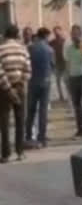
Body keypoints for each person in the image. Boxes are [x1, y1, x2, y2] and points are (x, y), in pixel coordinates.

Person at [0, 25, 31, 163]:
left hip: (4, 90)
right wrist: (21, 85)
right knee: (20, 120)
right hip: (20, 88)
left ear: (5, 36)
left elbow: (0, 72)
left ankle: (6, 154)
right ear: (17, 35)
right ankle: (20, 152)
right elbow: (28, 69)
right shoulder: (23, 49)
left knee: (4, 121)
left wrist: (8, 89)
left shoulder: (1, 49)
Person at [26, 27, 54, 148]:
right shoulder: (49, 49)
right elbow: (53, 65)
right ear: (46, 36)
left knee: (31, 110)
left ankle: (28, 136)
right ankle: (42, 138)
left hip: (32, 82)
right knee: (43, 111)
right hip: (45, 82)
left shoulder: (30, 48)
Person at [65, 25, 82, 138]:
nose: (75, 35)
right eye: (73, 33)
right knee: (77, 104)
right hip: (73, 78)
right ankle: (81, 129)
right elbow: (68, 64)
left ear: (81, 34)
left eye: (77, 33)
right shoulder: (69, 49)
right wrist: (68, 78)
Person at [49, 26, 68, 103]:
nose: (56, 33)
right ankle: (61, 96)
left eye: (58, 31)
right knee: (58, 81)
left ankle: (68, 96)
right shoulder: (52, 42)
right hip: (57, 64)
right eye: (55, 32)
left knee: (66, 81)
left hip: (64, 63)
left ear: (61, 31)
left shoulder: (64, 41)